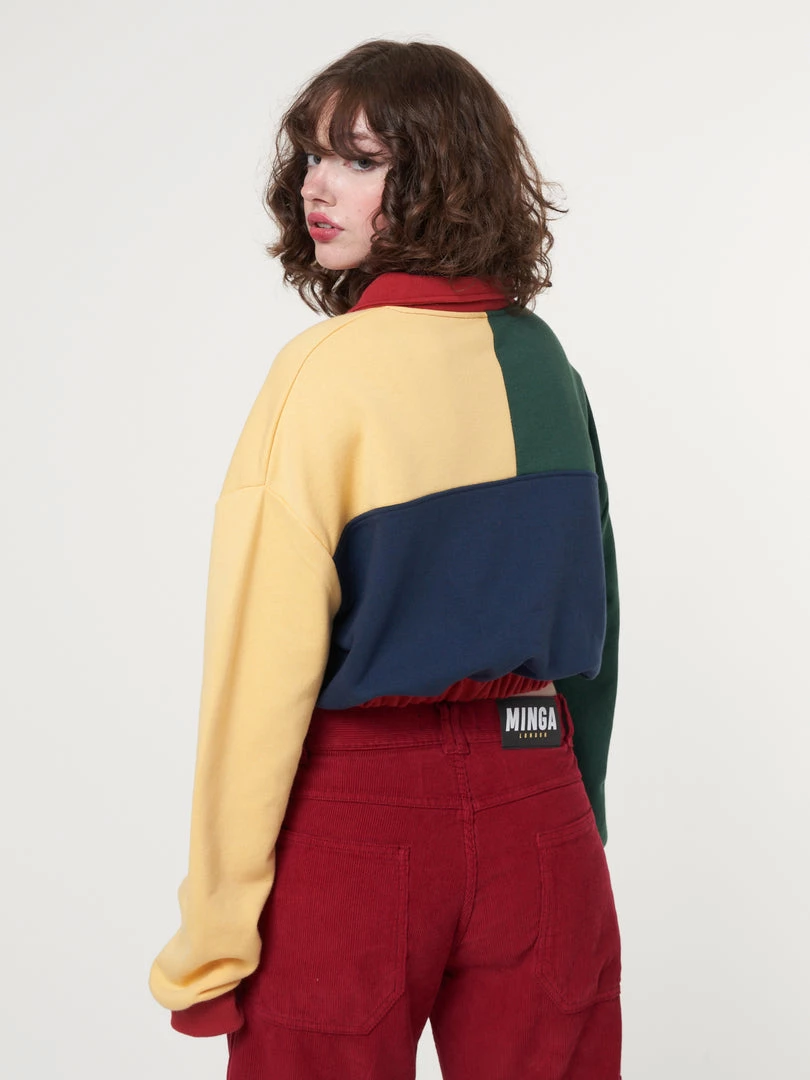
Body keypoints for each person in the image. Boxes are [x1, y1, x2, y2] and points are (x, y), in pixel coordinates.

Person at [149, 38, 622, 1080]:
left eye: (361, 160)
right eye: (314, 156)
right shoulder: (543, 361)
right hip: (540, 796)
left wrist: (216, 931)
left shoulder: (323, 372)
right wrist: (573, 819)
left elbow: (259, 670)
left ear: (442, 178)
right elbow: (598, 631)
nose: (317, 186)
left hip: (362, 816)